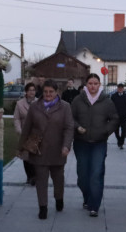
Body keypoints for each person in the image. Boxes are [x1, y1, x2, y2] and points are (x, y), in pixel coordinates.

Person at [18, 82, 74, 219]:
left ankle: (59, 198)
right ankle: (43, 207)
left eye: (51, 92)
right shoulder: (35, 107)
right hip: (39, 149)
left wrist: (66, 145)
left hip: (58, 150)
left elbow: (69, 128)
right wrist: (21, 146)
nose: (48, 94)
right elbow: (27, 128)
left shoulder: (65, 107)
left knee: (58, 179)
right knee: (41, 180)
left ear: (57, 92)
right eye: (45, 92)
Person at [70, 73, 119, 217]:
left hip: (99, 143)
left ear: (99, 85)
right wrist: (77, 127)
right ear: (86, 85)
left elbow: (115, 119)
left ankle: (94, 205)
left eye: (95, 83)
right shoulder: (78, 100)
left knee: (96, 174)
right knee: (83, 176)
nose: (93, 86)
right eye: (90, 83)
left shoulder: (106, 101)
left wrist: (105, 131)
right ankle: (87, 197)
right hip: (81, 142)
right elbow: (70, 118)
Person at [13, 82, 38, 184]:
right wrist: (19, 130)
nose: (32, 92)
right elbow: (16, 119)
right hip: (24, 133)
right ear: (26, 92)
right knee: (26, 156)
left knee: (35, 156)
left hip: (36, 134)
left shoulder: (39, 102)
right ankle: (30, 176)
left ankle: (35, 176)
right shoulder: (20, 104)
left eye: (33, 90)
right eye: (30, 90)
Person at [110, 82, 126, 149]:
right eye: (119, 88)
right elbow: (110, 106)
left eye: (121, 88)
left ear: (123, 89)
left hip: (124, 116)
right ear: (117, 89)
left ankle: (121, 143)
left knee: (124, 130)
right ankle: (119, 140)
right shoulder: (113, 96)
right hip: (116, 116)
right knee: (116, 131)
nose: (120, 89)